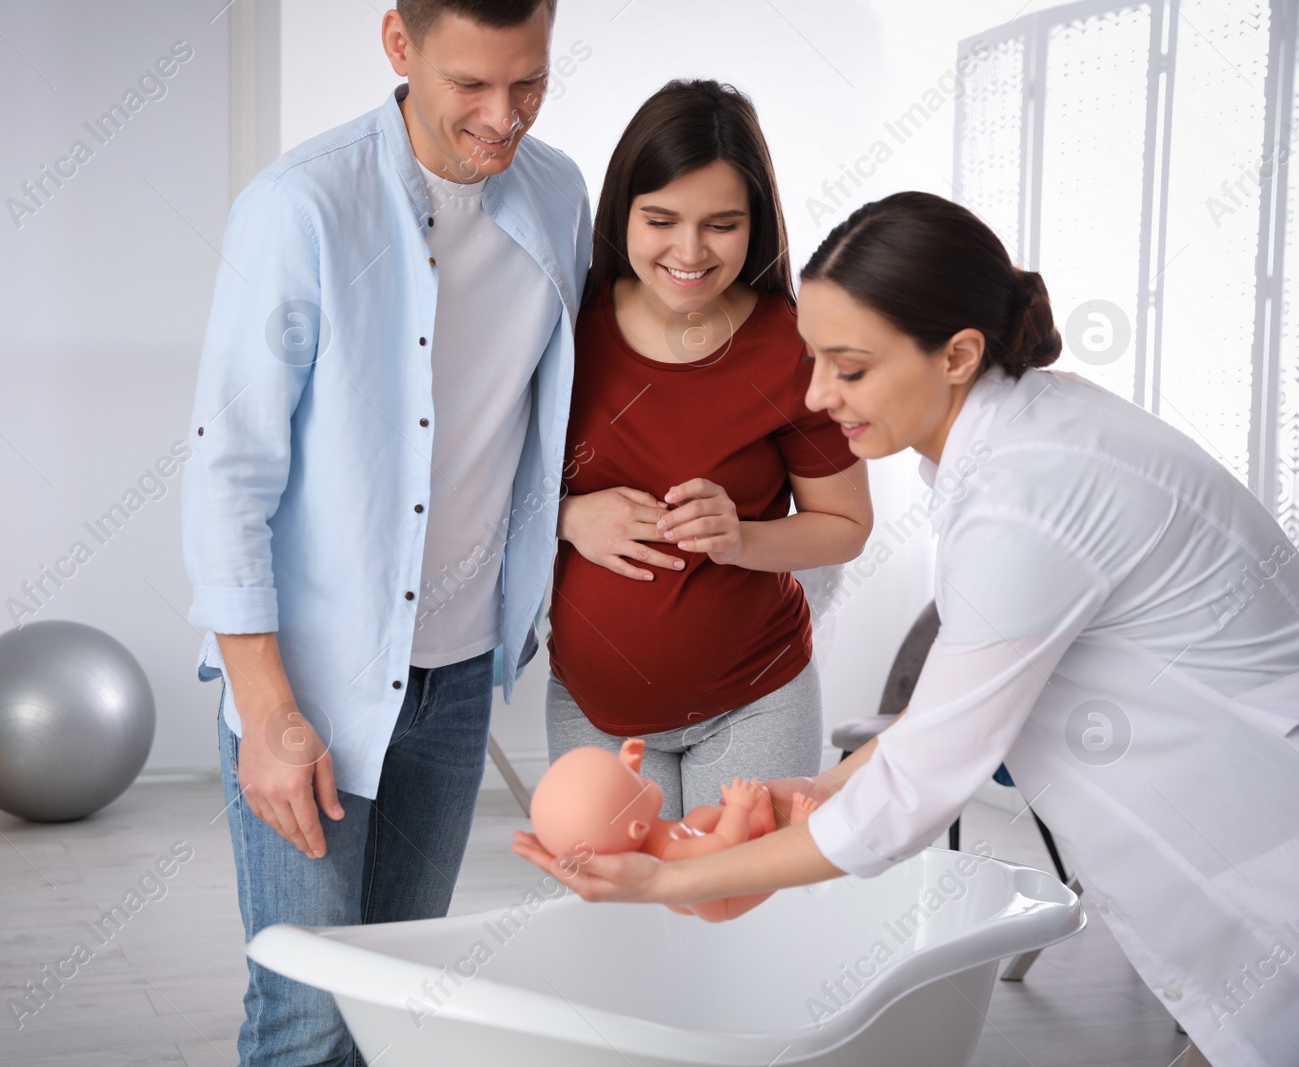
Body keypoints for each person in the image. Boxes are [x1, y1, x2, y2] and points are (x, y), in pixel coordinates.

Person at [513, 191, 1299, 1067]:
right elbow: (939, 724)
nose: (816, 396)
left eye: (848, 369)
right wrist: (801, 795)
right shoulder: (1012, 442)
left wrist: (670, 877)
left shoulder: (1029, 492)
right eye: (811, 359)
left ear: (958, 354)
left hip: (1262, 850)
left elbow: (917, 791)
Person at [181, 1, 590, 1062]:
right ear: (398, 48)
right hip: (307, 682)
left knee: (397, 1001)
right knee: (308, 1011)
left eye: (529, 82)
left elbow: (544, 420)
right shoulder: (300, 206)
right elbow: (228, 472)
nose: (503, 119)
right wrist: (265, 710)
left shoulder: (558, 194)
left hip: (458, 676)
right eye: (471, 86)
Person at [546, 79, 872, 820]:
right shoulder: (566, 327)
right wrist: (565, 517)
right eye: (661, 220)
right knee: (615, 926)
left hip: (754, 705)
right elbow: (482, 484)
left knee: (731, 924)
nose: (689, 252)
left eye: (721, 224)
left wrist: (742, 536)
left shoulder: (790, 345)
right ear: (622, 211)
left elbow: (848, 525)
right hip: (594, 711)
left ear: (757, 222)